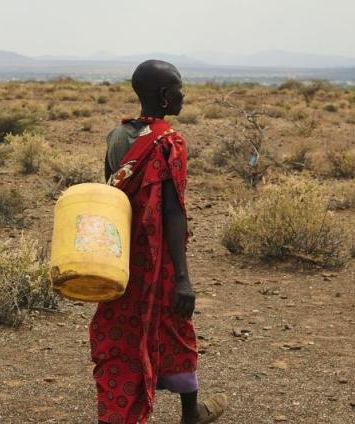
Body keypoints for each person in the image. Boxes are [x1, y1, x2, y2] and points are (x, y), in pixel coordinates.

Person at [93, 60, 228, 424]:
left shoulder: (116, 136)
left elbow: (112, 199)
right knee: (175, 328)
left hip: (120, 259)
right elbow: (172, 212)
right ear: (166, 96)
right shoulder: (170, 142)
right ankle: (191, 413)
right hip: (159, 260)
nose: (185, 94)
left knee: (120, 332)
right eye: (180, 88)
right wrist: (182, 276)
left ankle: (119, 413)